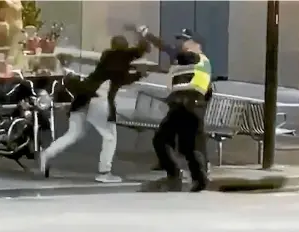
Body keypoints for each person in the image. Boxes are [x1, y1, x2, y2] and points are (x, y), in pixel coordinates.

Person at [39, 35, 150, 183]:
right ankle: (104, 172)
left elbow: (122, 74)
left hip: (82, 98)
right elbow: (135, 58)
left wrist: (137, 73)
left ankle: (46, 154)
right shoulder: (119, 59)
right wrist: (142, 35)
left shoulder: (106, 59)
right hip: (98, 99)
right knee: (110, 136)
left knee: (73, 134)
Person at [126, 24, 212, 192]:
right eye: (180, 40)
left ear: (197, 44)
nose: (182, 43)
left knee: (188, 145)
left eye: (185, 40)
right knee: (162, 139)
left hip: (191, 105)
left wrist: (147, 35)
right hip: (180, 105)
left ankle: (198, 180)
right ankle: (175, 175)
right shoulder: (183, 61)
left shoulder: (196, 58)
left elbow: (168, 49)